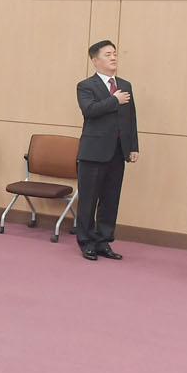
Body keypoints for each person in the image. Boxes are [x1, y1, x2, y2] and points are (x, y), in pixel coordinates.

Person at [75, 40, 140, 261]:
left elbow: (130, 118)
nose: (113, 58)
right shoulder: (86, 86)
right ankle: (86, 242)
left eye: (114, 54)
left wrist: (133, 146)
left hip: (117, 152)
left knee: (110, 200)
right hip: (93, 152)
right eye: (107, 54)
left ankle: (103, 242)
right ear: (95, 61)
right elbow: (89, 110)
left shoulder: (125, 85)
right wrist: (114, 100)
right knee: (88, 200)